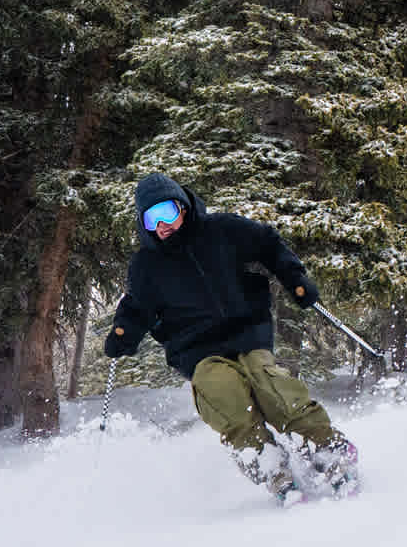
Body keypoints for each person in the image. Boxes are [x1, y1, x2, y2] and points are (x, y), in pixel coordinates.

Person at [103, 173, 357, 504]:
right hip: (196, 350)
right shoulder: (146, 265)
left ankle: (325, 447)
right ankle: (270, 466)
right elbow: (137, 307)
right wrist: (123, 334)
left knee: (271, 387)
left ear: (183, 206)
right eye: (151, 219)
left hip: (247, 332)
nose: (162, 225)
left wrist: (293, 277)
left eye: (166, 212)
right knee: (223, 394)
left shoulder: (221, 230)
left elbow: (267, 242)